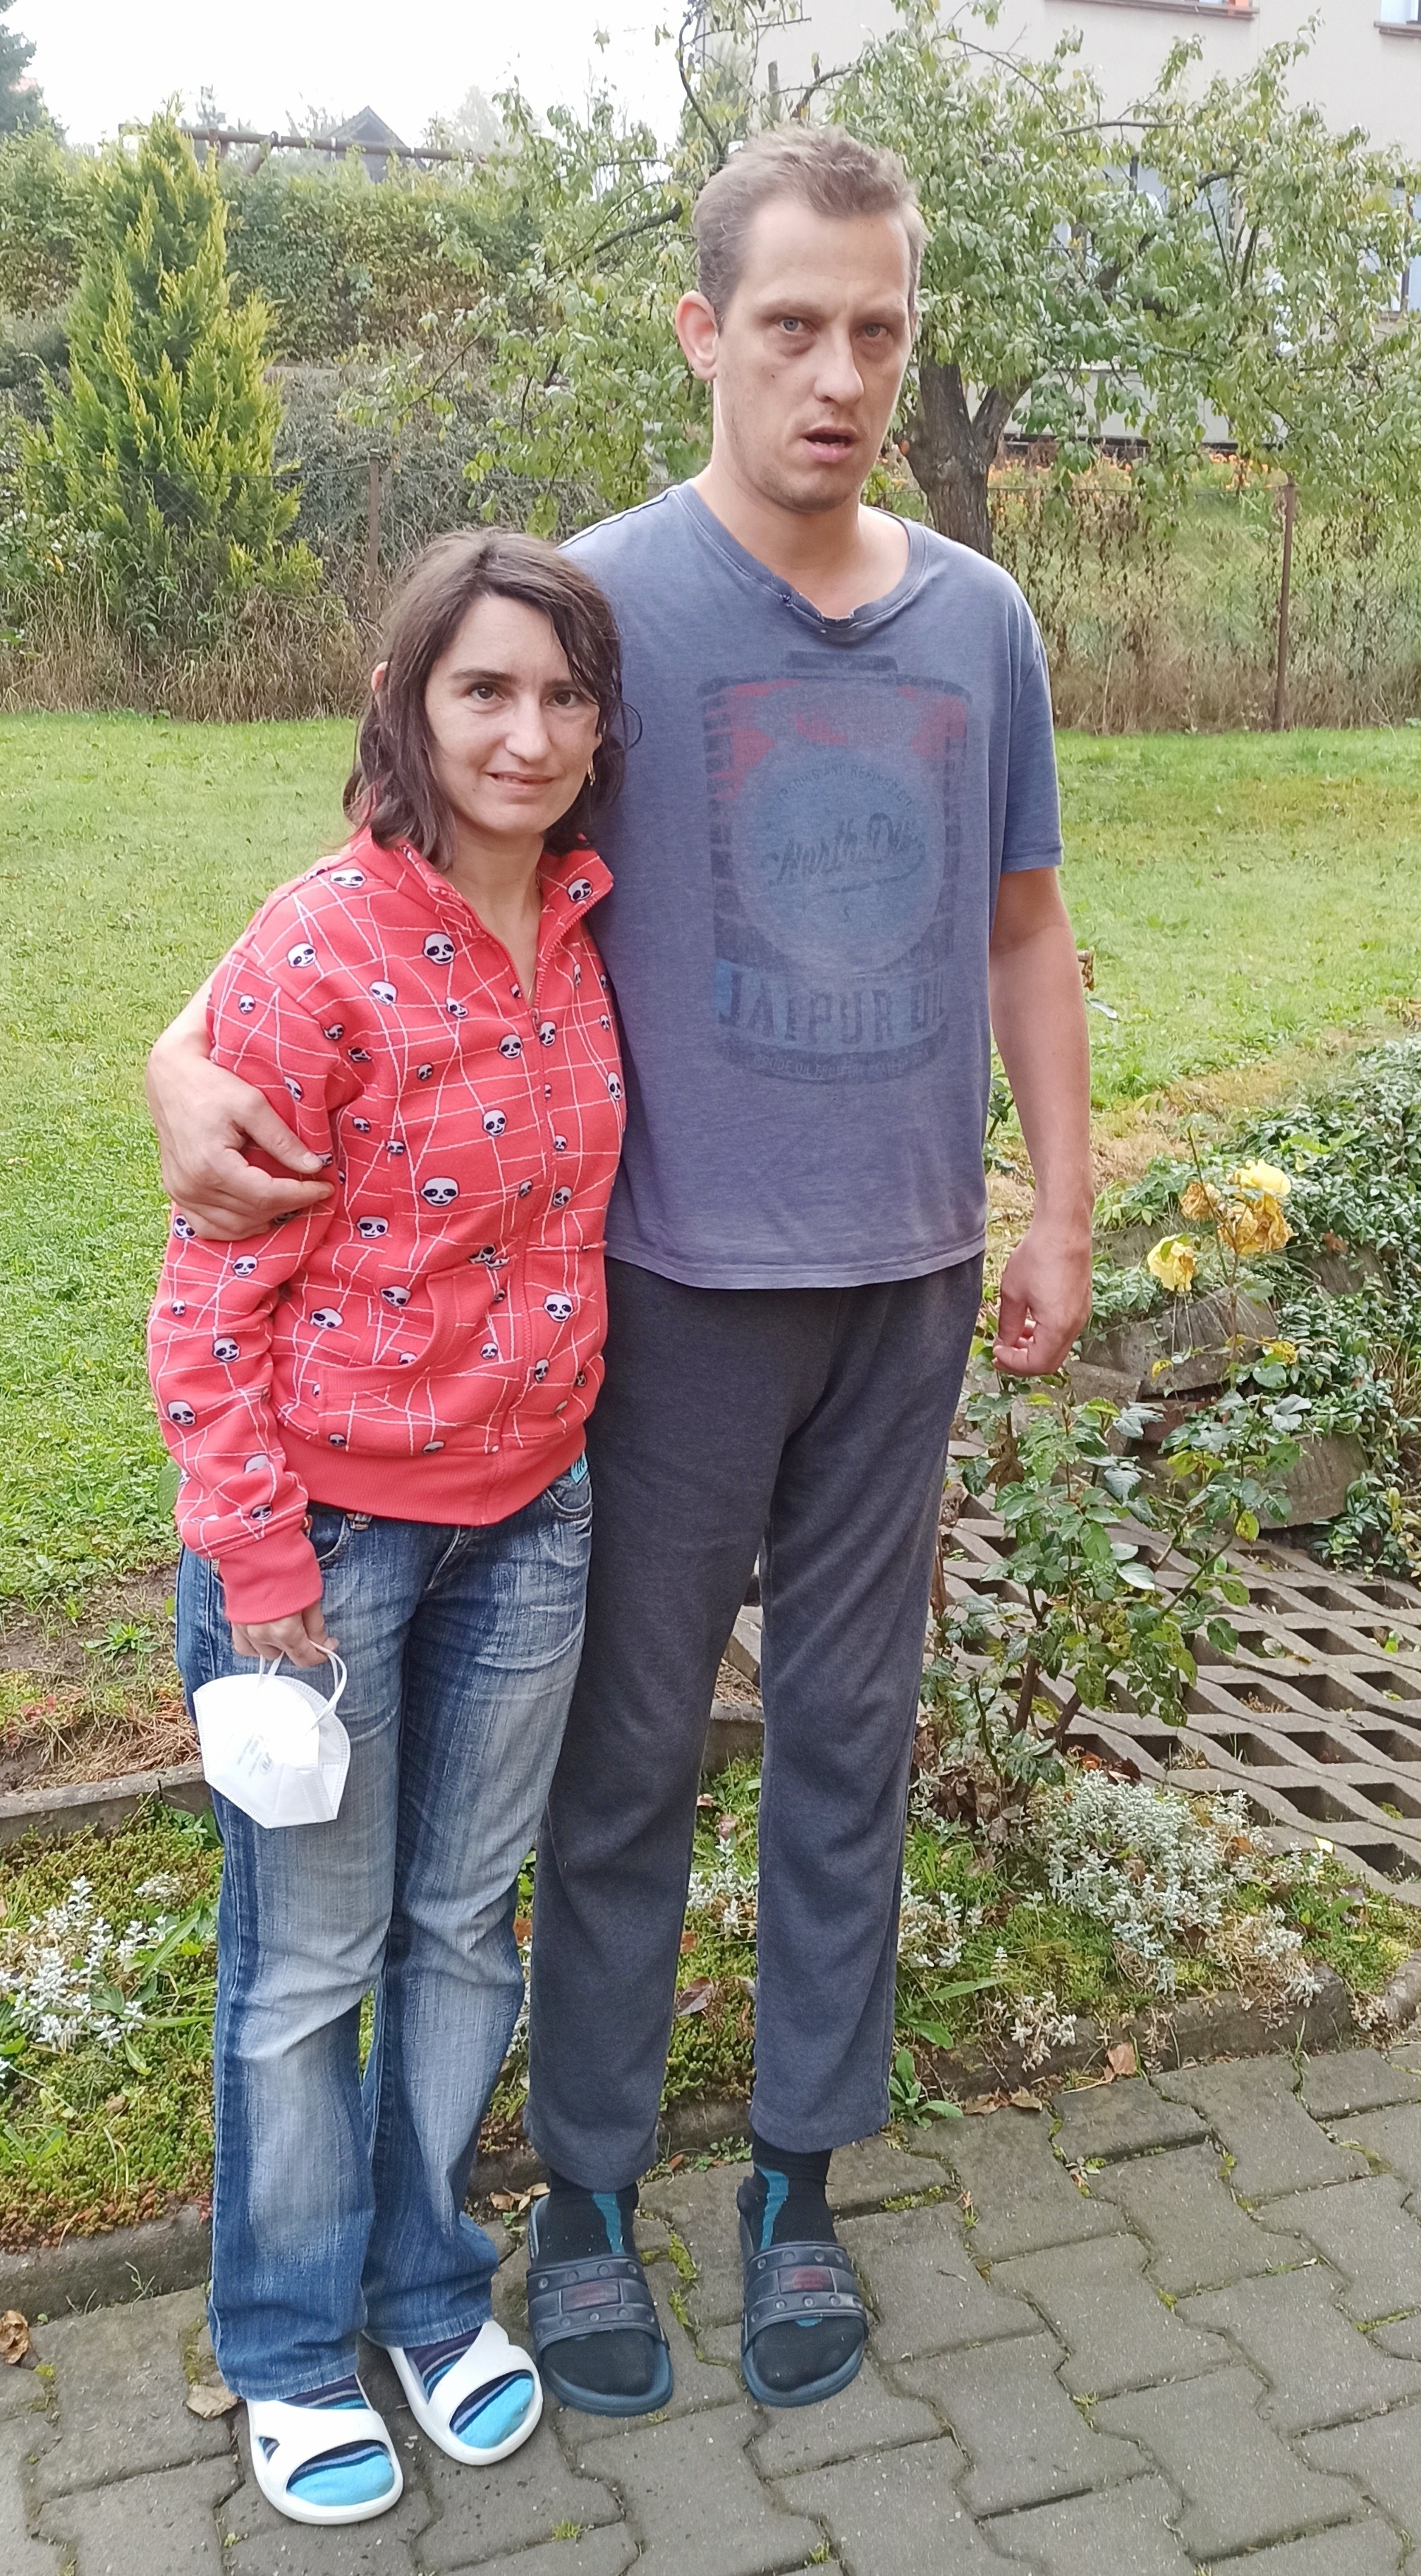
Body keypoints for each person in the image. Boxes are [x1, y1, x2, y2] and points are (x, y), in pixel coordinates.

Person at [146, 125, 1093, 2419]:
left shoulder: (982, 621)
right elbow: (385, 878)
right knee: (626, 1760)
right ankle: (581, 2198)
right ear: (702, 331)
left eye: (877, 332)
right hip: (659, 1301)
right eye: (792, 326)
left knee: (851, 1742)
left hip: (906, 1288)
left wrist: (1058, 1202)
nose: (838, 376)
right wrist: (176, 1057)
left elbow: (1024, 926)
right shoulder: (600, 610)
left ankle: (795, 2181)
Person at [148, 529, 630, 2520]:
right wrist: (262, 1573)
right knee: (307, 1964)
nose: (527, 734)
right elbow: (207, 1298)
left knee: (457, 1928)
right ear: (406, 707)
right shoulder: (319, 947)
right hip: (325, 1547)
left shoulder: (587, 924)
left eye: (563, 695)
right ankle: (282, 2345)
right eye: (482, 690)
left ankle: (430, 2294)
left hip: (534, 1521)